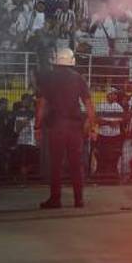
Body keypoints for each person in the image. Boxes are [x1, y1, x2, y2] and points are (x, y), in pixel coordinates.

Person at [35, 48, 95, 209]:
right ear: (71, 61)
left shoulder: (48, 79)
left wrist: (37, 126)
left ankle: (55, 199)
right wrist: (92, 124)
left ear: (56, 61)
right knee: (76, 164)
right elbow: (88, 103)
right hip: (75, 127)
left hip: (56, 126)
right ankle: (78, 199)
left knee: (55, 164)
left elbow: (41, 105)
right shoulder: (78, 78)